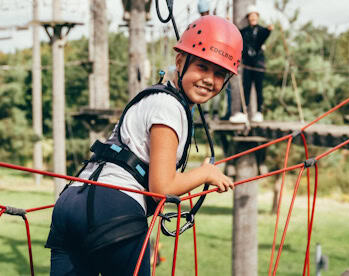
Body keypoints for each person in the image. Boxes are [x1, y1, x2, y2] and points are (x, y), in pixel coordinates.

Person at [45, 16, 240, 275]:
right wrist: (204, 174)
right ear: (180, 60)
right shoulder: (170, 108)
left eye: (219, 74)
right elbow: (162, 187)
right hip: (113, 207)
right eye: (202, 67)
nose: (209, 79)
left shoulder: (153, 96)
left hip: (70, 203)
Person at [230, 5, 273, 123]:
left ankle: (259, 112)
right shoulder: (244, 32)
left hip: (259, 65)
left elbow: (264, 35)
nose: (253, 18)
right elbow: (237, 35)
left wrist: (269, 29)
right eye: (251, 16)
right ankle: (243, 112)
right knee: (246, 88)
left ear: (257, 17)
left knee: (259, 88)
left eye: (255, 15)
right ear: (248, 18)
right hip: (248, 64)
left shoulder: (262, 30)